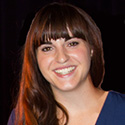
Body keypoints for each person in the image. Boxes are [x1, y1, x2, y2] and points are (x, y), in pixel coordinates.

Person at [7, 2, 125, 125]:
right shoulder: (22, 118)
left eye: (72, 44)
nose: (62, 58)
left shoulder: (122, 110)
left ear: (91, 48)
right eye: (47, 48)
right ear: (35, 58)